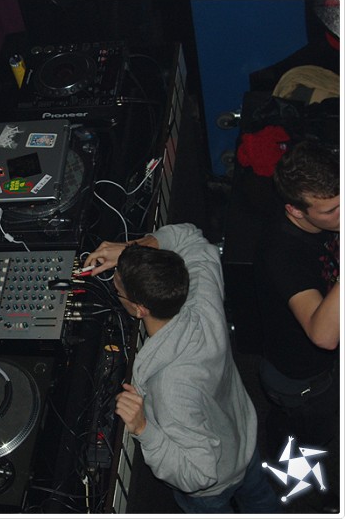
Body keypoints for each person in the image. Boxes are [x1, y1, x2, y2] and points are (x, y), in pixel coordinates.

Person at [84, 223, 281, 513]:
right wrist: (131, 250)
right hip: (242, 438)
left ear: (140, 309)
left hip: (216, 485)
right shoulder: (202, 298)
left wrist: (143, 428)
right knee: (262, 500)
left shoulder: (169, 386)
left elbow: (200, 474)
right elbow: (193, 239)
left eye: (119, 290)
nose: (115, 287)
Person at [253, 140, 339, 511]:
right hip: (302, 377)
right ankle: (302, 495)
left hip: (317, 370)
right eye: (332, 210)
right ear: (295, 211)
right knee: (309, 440)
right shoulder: (282, 252)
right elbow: (324, 336)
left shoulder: (323, 211)